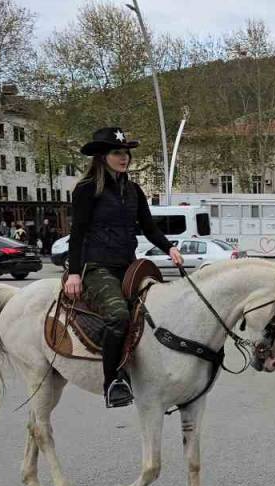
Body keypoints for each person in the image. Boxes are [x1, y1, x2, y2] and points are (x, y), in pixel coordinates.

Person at [64, 127, 184, 408]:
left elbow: (149, 226)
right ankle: (113, 380)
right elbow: (78, 232)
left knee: (161, 309)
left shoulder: (133, 190)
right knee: (118, 316)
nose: (124, 157)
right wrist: (74, 273)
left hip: (128, 265)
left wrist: (170, 248)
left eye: (126, 152)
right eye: (117, 152)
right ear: (102, 156)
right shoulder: (87, 189)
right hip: (96, 267)